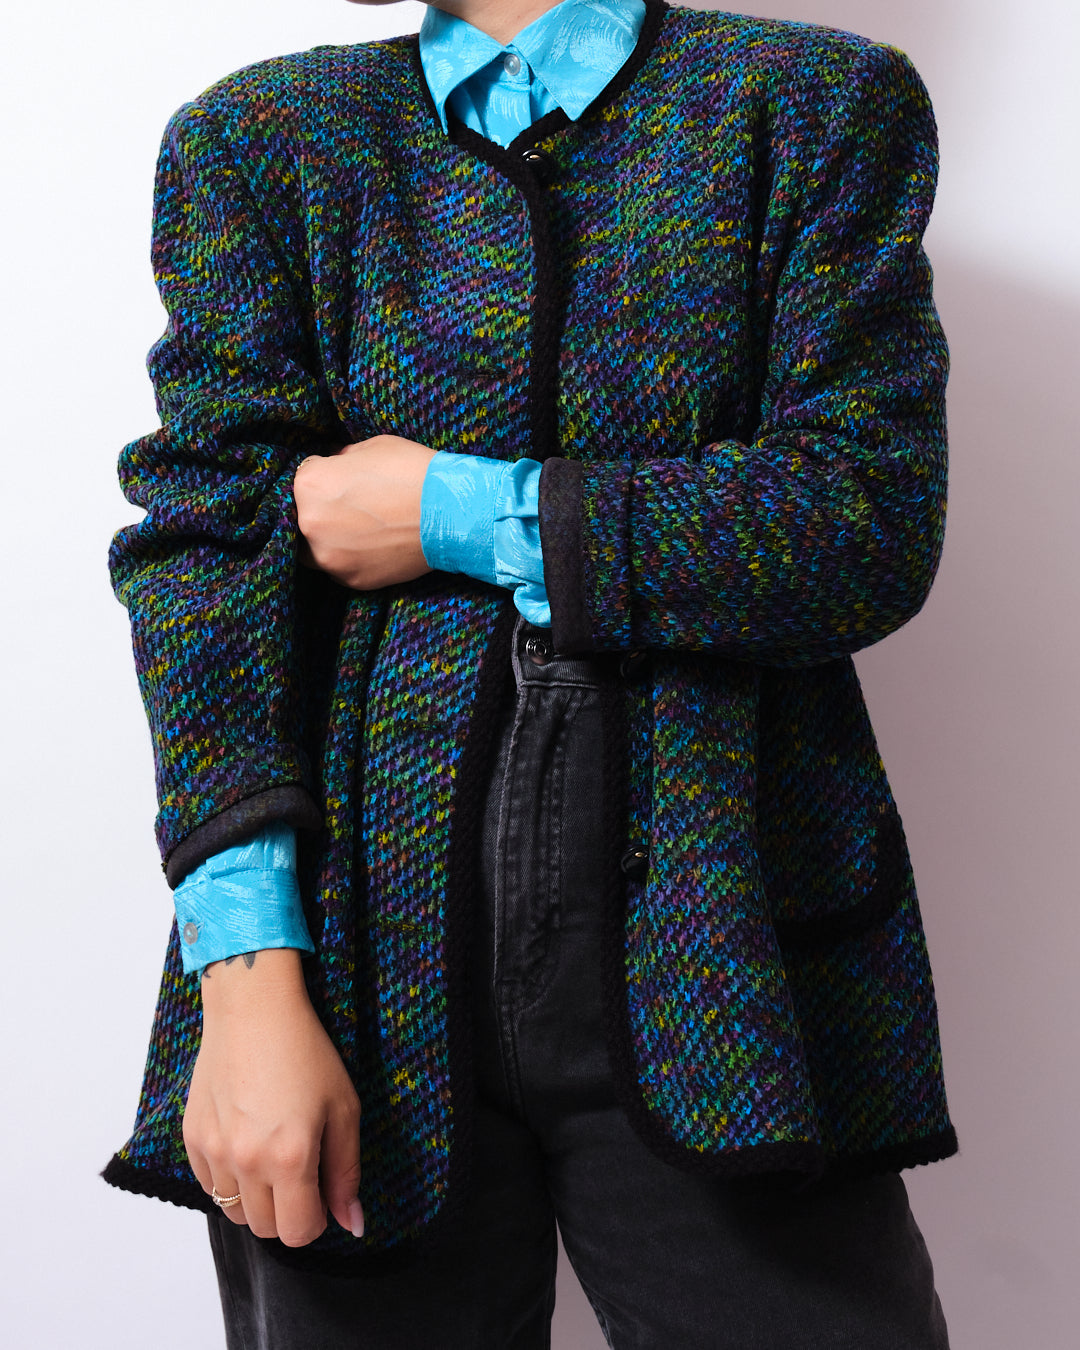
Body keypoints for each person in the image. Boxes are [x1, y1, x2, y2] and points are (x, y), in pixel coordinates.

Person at [105, 0, 959, 1344]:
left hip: (728, 957)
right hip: (348, 964)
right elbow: (208, 567)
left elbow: (863, 521)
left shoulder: (811, 106)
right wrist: (248, 976)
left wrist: (457, 509)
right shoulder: (262, 139)